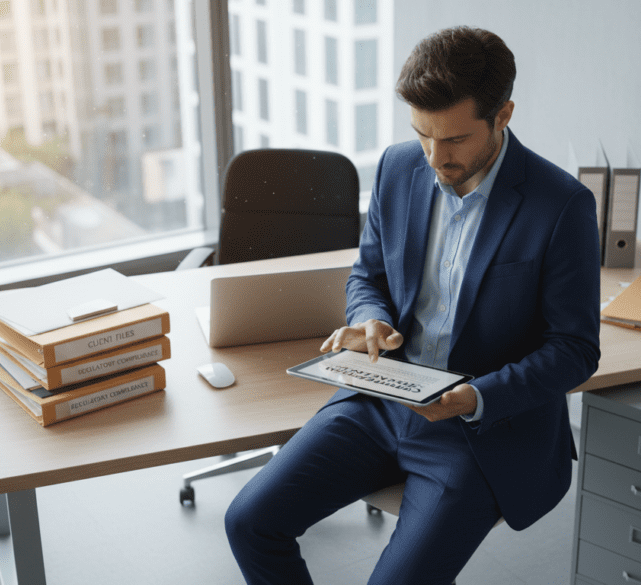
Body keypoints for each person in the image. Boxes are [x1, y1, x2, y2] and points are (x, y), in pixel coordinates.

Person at [225, 26, 600, 585]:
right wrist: (369, 317)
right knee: (248, 521)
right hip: (382, 399)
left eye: (453, 140)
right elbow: (368, 274)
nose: (433, 156)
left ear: (503, 116)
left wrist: (475, 396)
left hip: (477, 431)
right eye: (422, 134)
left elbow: (574, 350)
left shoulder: (561, 205)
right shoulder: (399, 168)